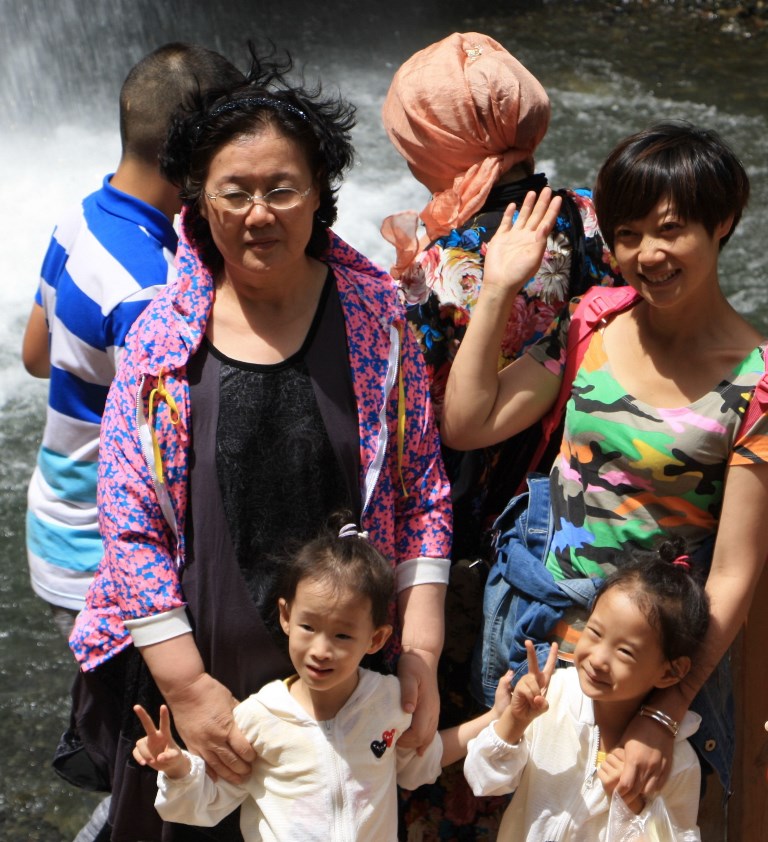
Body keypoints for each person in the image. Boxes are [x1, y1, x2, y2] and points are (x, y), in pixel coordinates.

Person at [68, 44, 451, 842]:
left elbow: (422, 492)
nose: (258, 213)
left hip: (347, 688)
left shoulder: (378, 323)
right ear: (199, 203)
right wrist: (189, 688)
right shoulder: (160, 343)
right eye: (233, 192)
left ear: (320, 198)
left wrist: (417, 649)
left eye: (282, 189)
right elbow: (129, 521)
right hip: (203, 687)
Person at [442, 122, 768, 806]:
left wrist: (665, 709)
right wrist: (500, 286)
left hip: (644, 676)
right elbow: (470, 422)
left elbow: (735, 571)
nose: (648, 254)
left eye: (671, 229)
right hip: (536, 644)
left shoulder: (756, 383)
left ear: (724, 223)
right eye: (627, 233)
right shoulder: (592, 321)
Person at [379, 31, 622, 837]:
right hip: (571, 532)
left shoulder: (453, 259)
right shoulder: (590, 215)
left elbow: (425, 409)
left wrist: (407, 271)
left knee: (457, 761)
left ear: (438, 145)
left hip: (470, 540)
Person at [21, 42, 245, 638]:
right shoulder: (150, 289)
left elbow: (37, 359)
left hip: (52, 522)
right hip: (108, 555)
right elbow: (172, 457)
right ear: (201, 152)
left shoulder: (78, 220)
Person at [132, 520, 509, 841]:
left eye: (342, 636)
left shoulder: (387, 700)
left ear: (376, 639)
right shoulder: (259, 717)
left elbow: (416, 764)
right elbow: (210, 803)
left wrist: (494, 719)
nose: (321, 650)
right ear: (285, 616)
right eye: (308, 627)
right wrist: (178, 767)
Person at [464, 538, 708, 840]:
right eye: (594, 632)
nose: (599, 659)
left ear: (671, 672)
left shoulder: (676, 763)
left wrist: (634, 808)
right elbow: (482, 779)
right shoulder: (551, 699)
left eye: (625, 652)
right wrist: (513, 723)